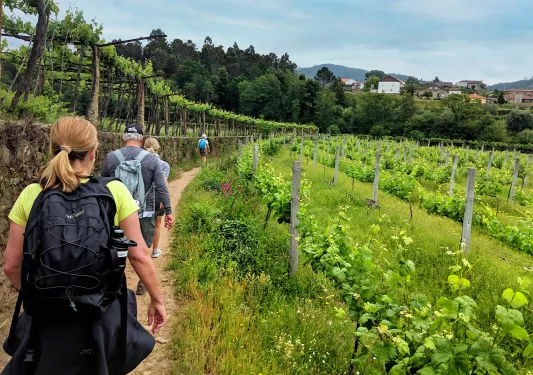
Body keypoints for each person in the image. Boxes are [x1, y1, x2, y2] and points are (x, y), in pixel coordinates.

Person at [3, 117, 166, 374]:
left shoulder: (32, 193)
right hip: (99, 313)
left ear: (52, 149)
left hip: (46, 320)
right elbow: (140, 255)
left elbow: (11, 264)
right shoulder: (114, 191)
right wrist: (158, 300)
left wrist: (41, 297)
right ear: (93, 153)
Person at [101, 124, 174, 296]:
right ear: (141, 140)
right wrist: (168, 211)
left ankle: (118, 283)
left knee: (117, 248)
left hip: (117, 213)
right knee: (143, 249)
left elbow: (102, 184)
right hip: (145, 211)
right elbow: (162, 187)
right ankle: (142, 283)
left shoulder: (111, 157)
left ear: (123, 138)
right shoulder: (151, 159)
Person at [143, 137, 170, 259]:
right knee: (157, 224)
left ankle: (141, 251)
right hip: (158, 198)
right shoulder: (164, 165)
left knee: (142, 224)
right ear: (158, 147)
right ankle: (154, 250)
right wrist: (166, 201)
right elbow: (163, 184)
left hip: (143, 197)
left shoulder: (140, 162)